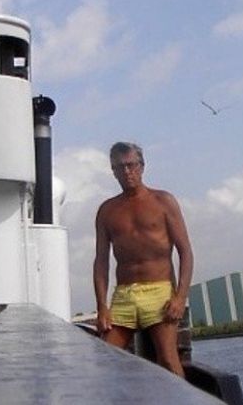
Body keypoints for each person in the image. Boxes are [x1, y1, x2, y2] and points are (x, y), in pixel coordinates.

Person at [93, 142, 194, 377]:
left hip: (159, 291)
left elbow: (186, 252)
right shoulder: (107, 211)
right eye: (120, 167)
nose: (127, 171)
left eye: (131, 165)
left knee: (168, 359)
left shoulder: (163, 201)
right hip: (124, 295)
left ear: (142, 166)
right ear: (113, 171)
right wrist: (102, 307)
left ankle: (183, 396)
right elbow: (101, 262)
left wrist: (180, 297)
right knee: (105, 359)